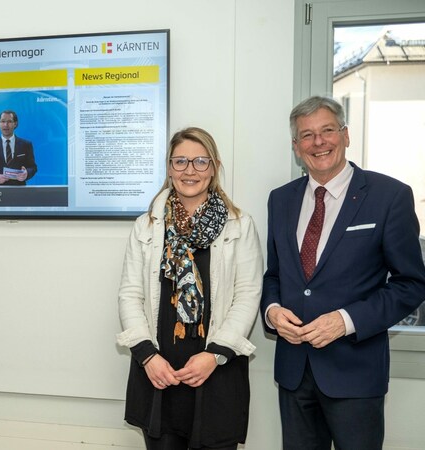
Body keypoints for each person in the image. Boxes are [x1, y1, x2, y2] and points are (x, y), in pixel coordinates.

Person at [261, 96, 425, 450]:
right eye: (307, 135)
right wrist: (272, 312)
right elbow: (274, 275)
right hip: (293, 372)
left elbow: (410, 284)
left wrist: (346, 320)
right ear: (295, 146)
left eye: (327, 131)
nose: (318, 142)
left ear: (346, 135)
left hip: (355, 373)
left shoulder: (389, 196)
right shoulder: (280, 200)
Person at [117, 127, 263, 450]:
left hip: (217, 373)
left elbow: (248, 296)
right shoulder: (147, 226)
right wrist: (147, 357)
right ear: (169, 168)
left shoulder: (240, 225)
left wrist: (214, 355)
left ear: (214, 167)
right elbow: (130, 295)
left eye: (200, 161)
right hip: (159, 374)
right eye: (180, 161)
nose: (190, 171)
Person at [0, 110, 37, 185]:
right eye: (2, 121)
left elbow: (33, 167)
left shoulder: (26, 145)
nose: (6, 125)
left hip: (19, 191)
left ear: (15, 124)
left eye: (9, 121)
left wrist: (26, 173)